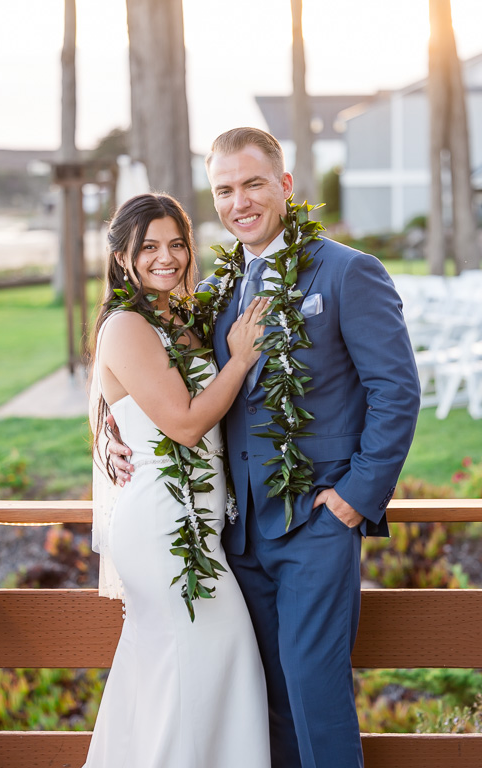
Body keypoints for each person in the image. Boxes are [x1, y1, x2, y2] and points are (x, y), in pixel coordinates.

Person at [109, 128, 422, 768]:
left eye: (253, 184)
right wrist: (110, 432)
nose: (239, 202)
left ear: (283, 185)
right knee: (266, 701)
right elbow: (161, 378)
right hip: (237, 535)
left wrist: (356, 499)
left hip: (316, 523)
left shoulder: (347, 272)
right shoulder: (221, 291)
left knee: (314, 689)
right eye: (224, 189)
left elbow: (396, 391)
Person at [85, 192, 271, 768]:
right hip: (164, 533)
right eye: (148, 248)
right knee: (204, 661)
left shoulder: (182, 317)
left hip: (198, 525)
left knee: (177, 673)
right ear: (122, 257)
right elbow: (187, 424)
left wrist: (101, 428)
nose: (165, 258)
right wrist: (239, 360)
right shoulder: (127, 325)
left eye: (176, 244)